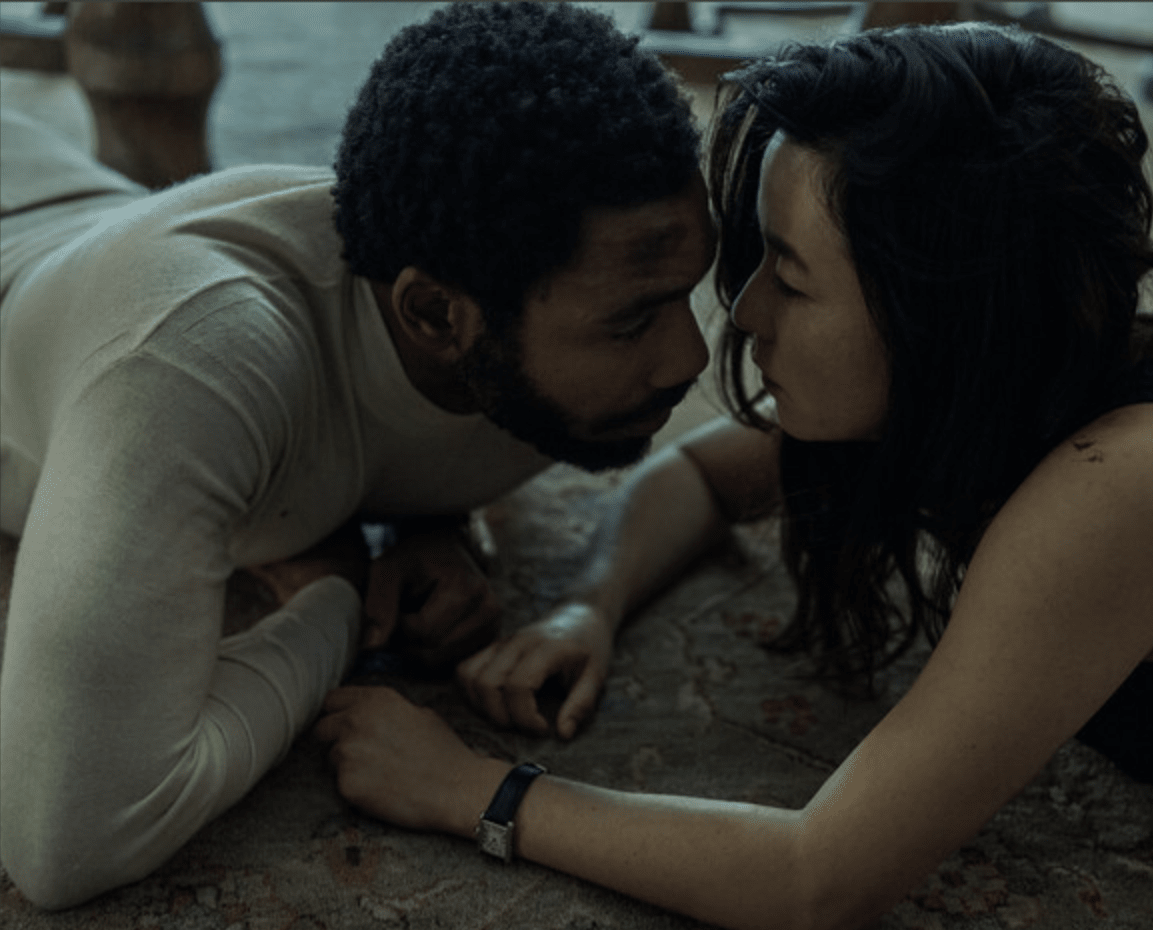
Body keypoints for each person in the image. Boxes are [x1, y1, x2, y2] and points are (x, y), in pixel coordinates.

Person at [315, 20, 1153, 930]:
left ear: (939, 312)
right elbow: (705, 477)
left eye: (786, 275)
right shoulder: (999, 372)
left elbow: (813, 875)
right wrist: (587, 606)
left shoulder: (1125, 490)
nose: (738, 318)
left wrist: (471, 792)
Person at [0, 2, 713, 910]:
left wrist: (437, 524)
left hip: (59, 189)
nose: (689, 360)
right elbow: (67, 840)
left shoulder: (494, 300)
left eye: (686, 294)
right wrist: (336, 599)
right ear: (435, 318)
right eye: (632, 321)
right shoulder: (193, 358)